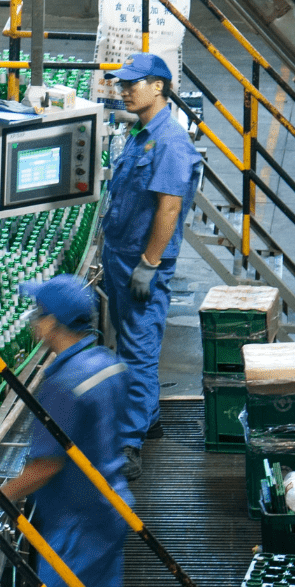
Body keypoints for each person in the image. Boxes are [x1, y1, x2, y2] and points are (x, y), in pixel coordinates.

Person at [0, 274, 133, 587]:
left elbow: (45, 466)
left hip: (76, 526)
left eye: (39, 313)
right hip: (114, 508)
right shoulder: (107, 364)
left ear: (54, 323)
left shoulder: (62, 384)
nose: (35, 321)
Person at [101, 53, 203, 480]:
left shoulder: (171, 142)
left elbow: (170, 206)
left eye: (134, 83)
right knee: (130, 341)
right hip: (121, 257)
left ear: (159, 86)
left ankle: (128, 444)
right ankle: (150, 418)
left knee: (137, 351)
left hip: (141, 263)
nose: (124, 90)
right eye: (122, 83)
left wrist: (148, 264)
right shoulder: (141, 132)